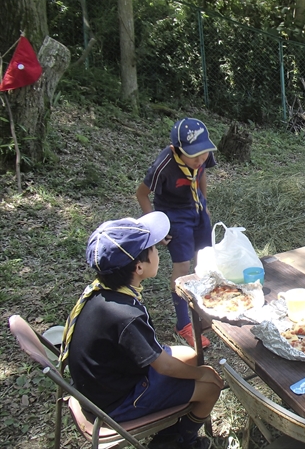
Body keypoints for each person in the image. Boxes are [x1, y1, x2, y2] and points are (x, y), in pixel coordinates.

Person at [62, 212, 224, 449]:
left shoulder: (102, 290)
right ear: (139, 267)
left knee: (190, 356)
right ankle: (178, 441)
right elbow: (164, 366)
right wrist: (203, 374)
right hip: (115, 401)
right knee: (211, 385)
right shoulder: (125, 316)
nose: (158, 252)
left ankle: (173, 423)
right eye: (154, 250)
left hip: (104, 382)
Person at [136, 118, 217, 349]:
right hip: (174, 216)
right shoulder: (164, 165)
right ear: (176, 150)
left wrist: (204, 202)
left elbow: (201, 174)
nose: (200, 159)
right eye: (194, 156)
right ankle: (183, 323)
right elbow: (141, 194)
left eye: (204, 154)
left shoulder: (201, 153)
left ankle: (202, 310)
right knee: (182, 266)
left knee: (205, 258)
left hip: (197, 209)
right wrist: (156, 227)